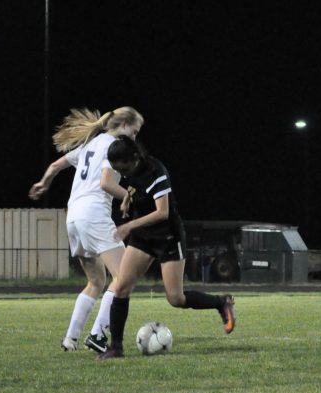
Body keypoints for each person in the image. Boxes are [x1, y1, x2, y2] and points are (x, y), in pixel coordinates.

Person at [98, 138, 236, 360]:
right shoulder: (129, 170)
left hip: (168, 237)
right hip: (144, 237)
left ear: (134, 158)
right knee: (121, 287)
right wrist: (126, 201)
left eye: (122, 168)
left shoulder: (156, 170)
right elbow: (134, 188)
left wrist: (129, 226)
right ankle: (115, 347)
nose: (120, 173)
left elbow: (162, 212)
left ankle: (221, 302)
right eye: (116, 170)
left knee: (175, 298)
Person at [29, 106, 144, 353]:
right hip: (93, 215)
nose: (134, 138)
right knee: (123, 277)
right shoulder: (112, 146)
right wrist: (131, 198)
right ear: (123, 125)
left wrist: (43, 184)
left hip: (73, 218)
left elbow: (55, 165)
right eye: (134, 132)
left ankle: (70, 339)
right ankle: (98, 335)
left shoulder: (90, 145)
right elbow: (105, 183)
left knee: (96, 281)